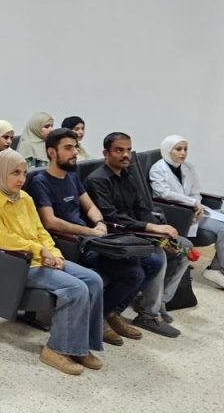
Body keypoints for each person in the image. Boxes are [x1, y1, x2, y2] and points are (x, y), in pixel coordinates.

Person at [0, 149, 104, 375]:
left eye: (24, 173)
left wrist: (55, 254)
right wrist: (39, 250)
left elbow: (40, 230)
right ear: (0, 173)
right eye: (15, 173)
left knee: (94, 280)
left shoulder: (25, 198)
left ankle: (80, 345)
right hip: (18, 264)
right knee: (75, 288)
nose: (21, 179)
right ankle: (56, 349)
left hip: (42, 257)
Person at [30, 129, 160, 345]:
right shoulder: (41, 181)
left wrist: (99, 222)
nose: (75, 152)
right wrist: (90, 231)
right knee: (134, 272)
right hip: (71, 243)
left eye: (75, 147)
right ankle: (99, 316)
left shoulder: (71, 177)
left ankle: (111, 312)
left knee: (152, 261)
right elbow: (50, 221)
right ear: (52, 152)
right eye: (68, 148)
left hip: (91, 237)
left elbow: (90, 206)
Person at [85, 132, 191, 338]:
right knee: (157, 257)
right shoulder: (97, 180)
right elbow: (111, 217)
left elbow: (142, 209)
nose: (126, 155)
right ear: (106, 153)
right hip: (114, 236)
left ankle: (156, 303)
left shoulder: (128, 176)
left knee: (183, 247)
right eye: (119, 150)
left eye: (128, 150)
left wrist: (157, 231)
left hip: (137, 231)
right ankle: (148, 314)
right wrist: (150, 229)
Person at [150, 135, 224, 295]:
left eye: (185, 149)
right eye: (178, 149)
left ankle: (216, 269)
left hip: (197, 211)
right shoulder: (157, 169)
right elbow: (164, 194)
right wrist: (192, 205)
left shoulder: (188, 167)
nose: (183, 153)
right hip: (179, 213)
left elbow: (195, 192)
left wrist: (197, 206)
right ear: (167, 150)